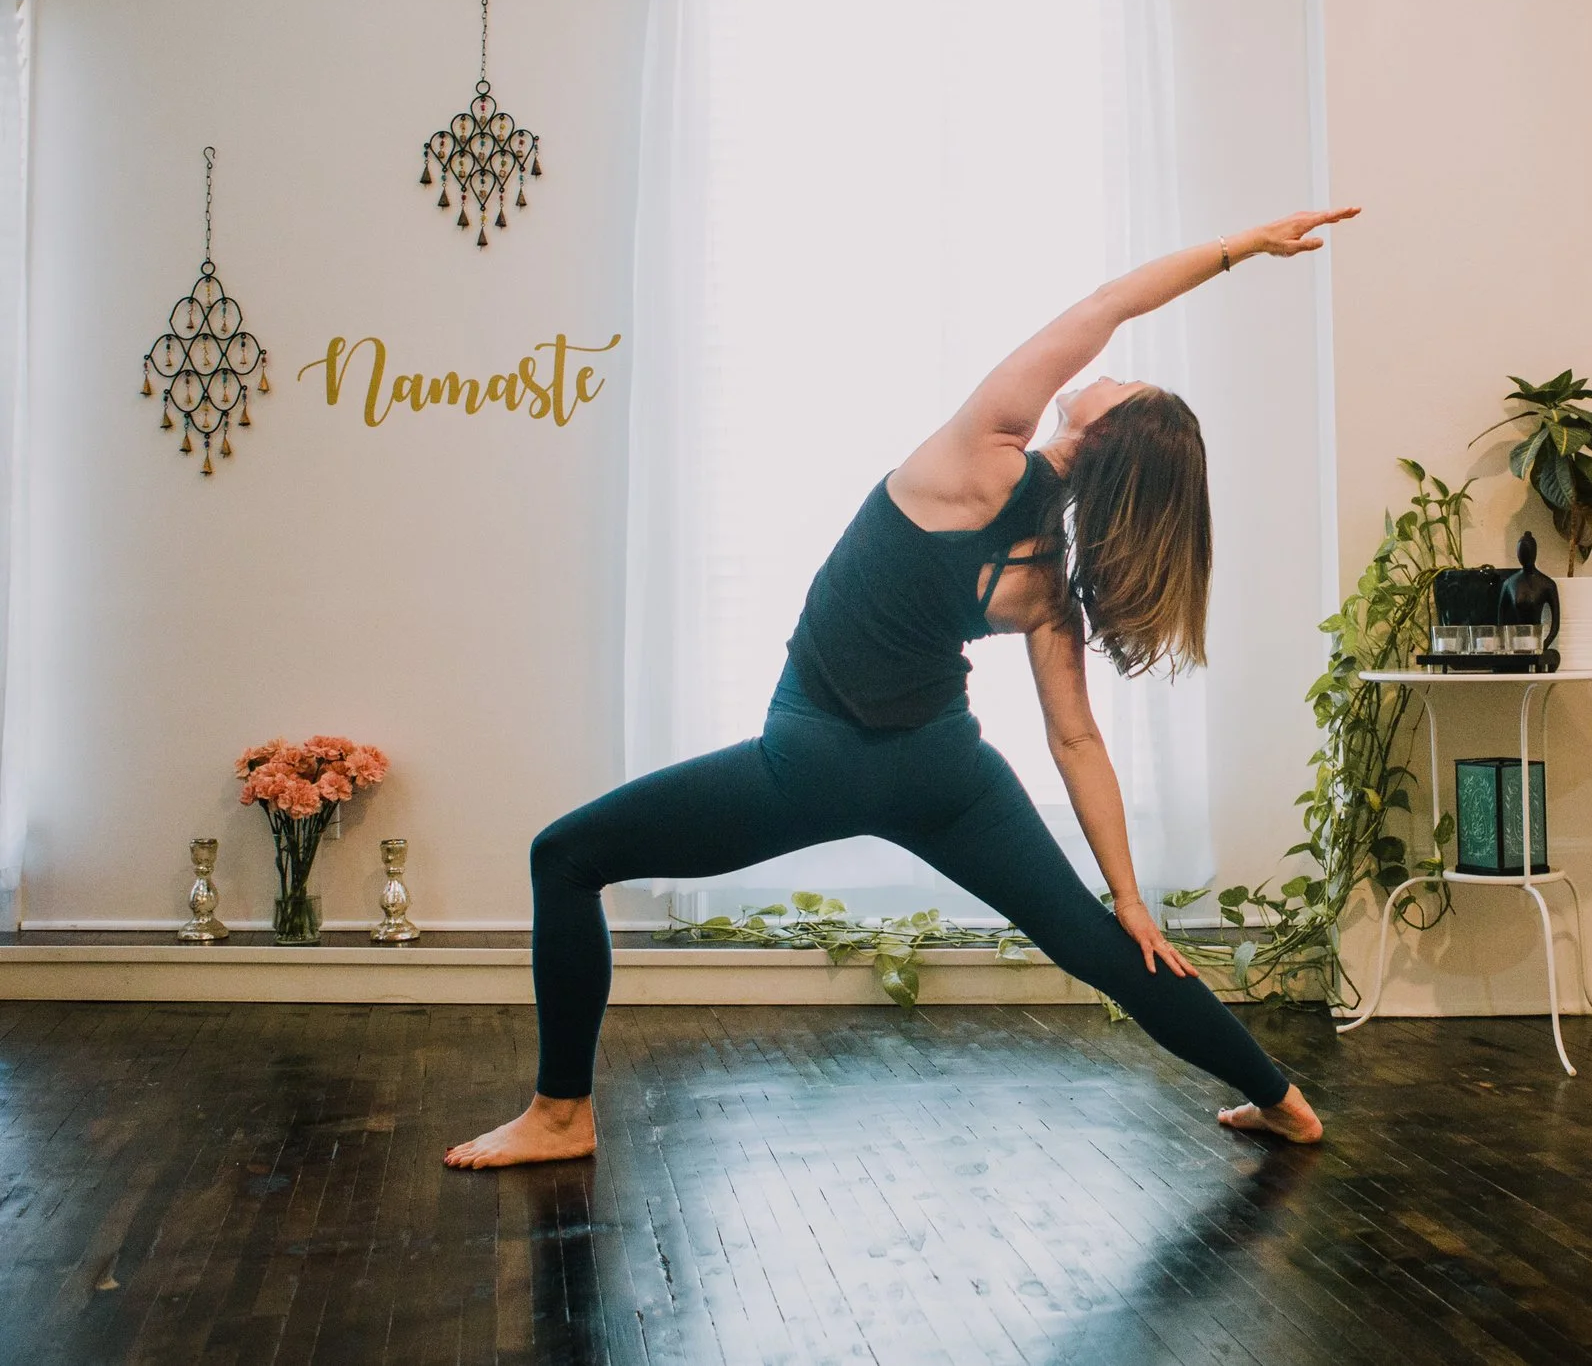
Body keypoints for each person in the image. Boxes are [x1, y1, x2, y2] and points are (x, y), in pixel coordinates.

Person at [445, 207, 1359, 1169]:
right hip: (942, 772)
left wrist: (1240, 248)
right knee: (1101, 944)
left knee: (564, 856)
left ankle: (560, 1113)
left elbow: (1109, 301)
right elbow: (1076, 739)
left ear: (1102, 436)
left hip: (812, 761)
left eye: (1123, 383)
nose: (1110, 368)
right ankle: (1284, 1100)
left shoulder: (983, 448)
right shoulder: (1049, 577)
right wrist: (1128, 898)